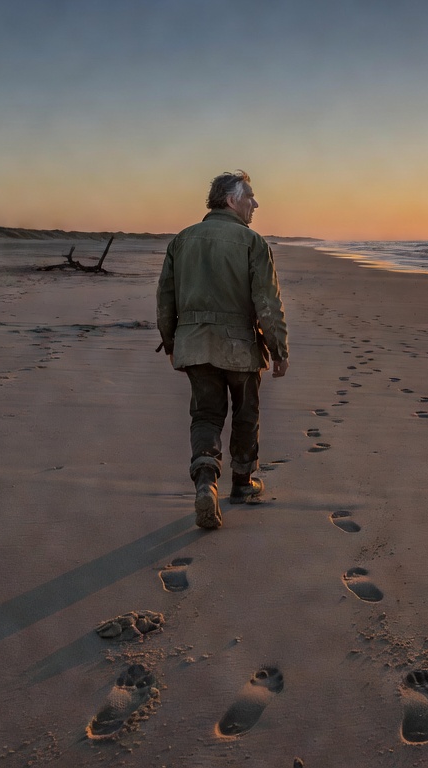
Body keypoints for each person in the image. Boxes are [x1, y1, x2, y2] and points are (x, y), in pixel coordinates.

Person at [156, 170, 289, 529]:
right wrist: (279, 349)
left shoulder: (182, 240)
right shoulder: (252, 242)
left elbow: (165, 299)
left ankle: (205, 481)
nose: (255, 203)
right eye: (250, 197)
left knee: (206, 416)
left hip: (195, 344)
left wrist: (171, 343)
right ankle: (243, 485)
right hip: (241, 347)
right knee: (246, 414)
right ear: (232, 200)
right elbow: (268, 304)